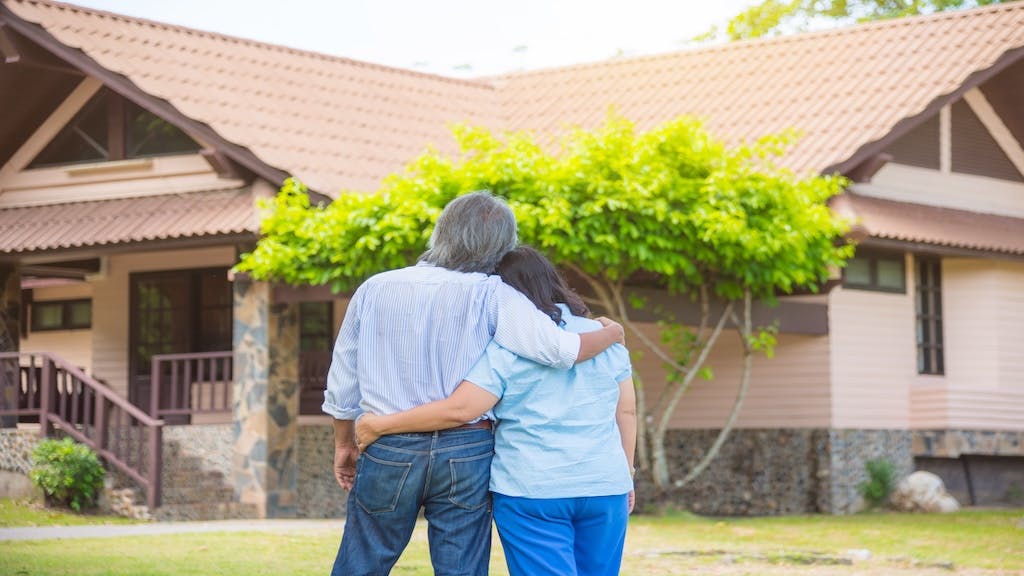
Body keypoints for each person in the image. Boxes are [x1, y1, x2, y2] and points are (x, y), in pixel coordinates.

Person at [323, 192, 625, 576]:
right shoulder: (494, 293)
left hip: (387, 442)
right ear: (502, 247)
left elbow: (343, 378)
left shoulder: (376, 287)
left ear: (441, 231)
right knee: (461, 568)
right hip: (466, 448)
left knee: (362, 560)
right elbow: (560, 350)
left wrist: (344, 443)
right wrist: (612, 332)